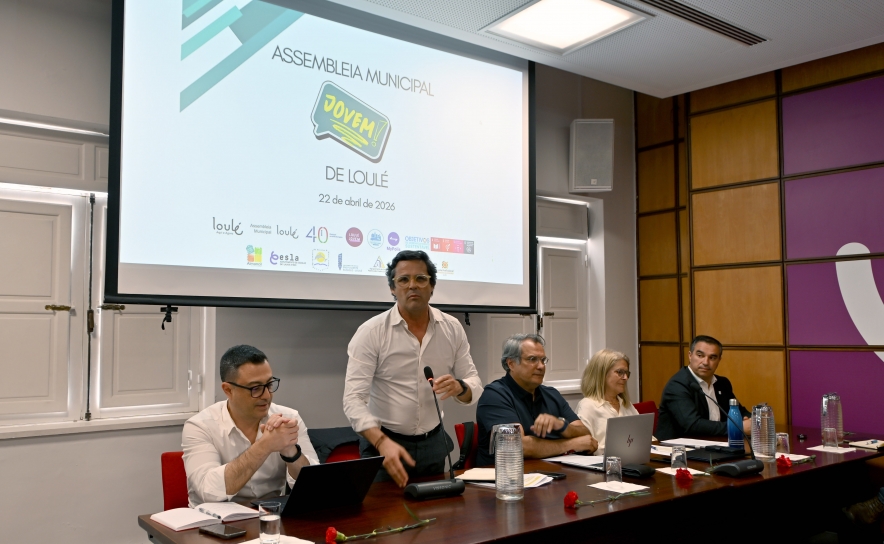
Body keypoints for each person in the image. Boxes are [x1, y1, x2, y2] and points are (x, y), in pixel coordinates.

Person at [343, 250, 483, 487]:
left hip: (434, 443)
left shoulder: (452, 328)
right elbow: (353, 399)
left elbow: (473, 381)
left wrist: (460, 387)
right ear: (392, 288)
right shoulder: (371, 332)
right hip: (385, 444)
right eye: (403, 280)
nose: (412, 285)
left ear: (432, 286)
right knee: (385, 510)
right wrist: (381, 442)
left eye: (421, 279)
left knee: (438, 509)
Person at [182, 345, 318, 506]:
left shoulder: (288, 419)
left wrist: (291, 452)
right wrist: (265, 445)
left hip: (269, 515)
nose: (267, 395)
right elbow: (209, 491)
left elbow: (316, 487)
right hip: (213, 518)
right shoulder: (199, 426)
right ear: (228, 390)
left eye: (269, 384)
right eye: (255, 388)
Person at [475, 334, 597, 466]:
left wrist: (562, 426)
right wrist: (570, 444)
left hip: (552, 473)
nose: (541, 366)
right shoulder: (494, 394)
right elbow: (518, 446)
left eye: (543, 360)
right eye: (532, 359)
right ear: (511, 364)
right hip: (505, 475)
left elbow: (586, 436)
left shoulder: (551, 394)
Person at [656, 335, 751, 441]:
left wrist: (752, 421)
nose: (705, 362)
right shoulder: (677, 385)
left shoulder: (722, 383)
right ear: (690, 355)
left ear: (719, 360)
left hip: (715, 443)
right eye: (700, 355)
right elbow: (692, 425)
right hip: (678, 448)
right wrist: (737, 428)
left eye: (712, 357)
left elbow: (739, 412)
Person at [575, 348, 642, 452]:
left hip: (630, 459)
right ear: (602, 374)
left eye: (626, 373)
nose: (625, 377)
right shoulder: (588, 406)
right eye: (620, 372)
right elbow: (584, 448)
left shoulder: (625, 404)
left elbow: (642, 437)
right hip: (601, 461)